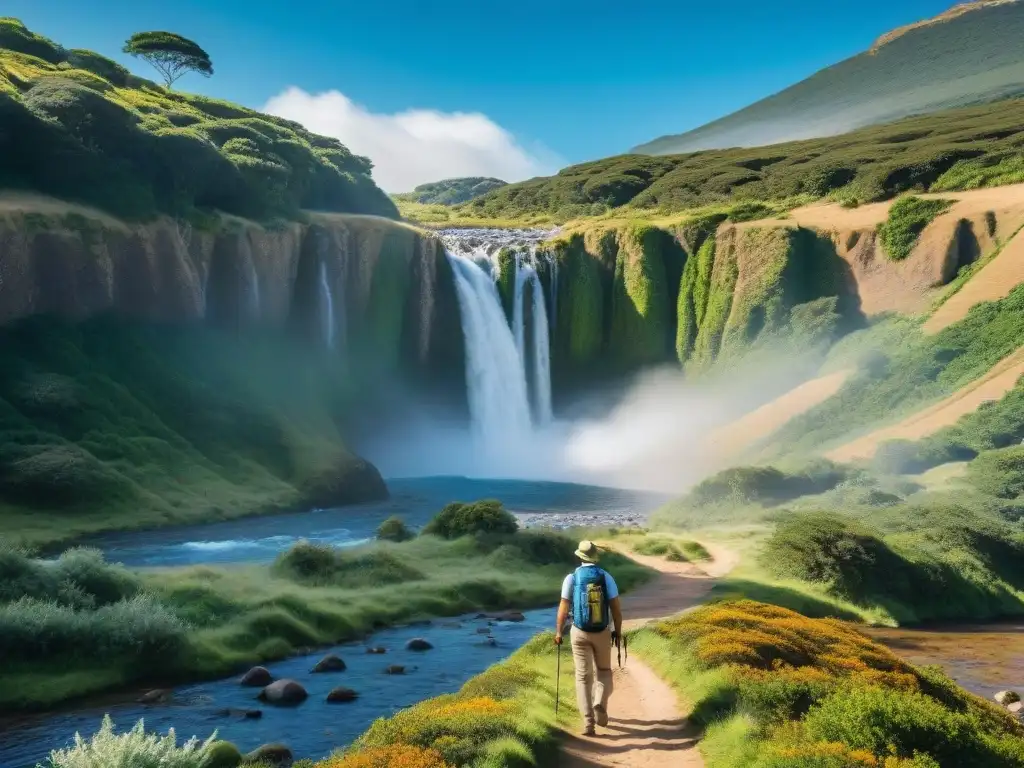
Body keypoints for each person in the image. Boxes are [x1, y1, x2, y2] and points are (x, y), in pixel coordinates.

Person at [554, 540, 623, 736]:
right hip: (601, 632)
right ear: (595, 557)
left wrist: (559, 632)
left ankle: (588, 724)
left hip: (579, 631)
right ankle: (599, 701)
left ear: (580, 557)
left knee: (583, 677)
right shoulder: (606, 577)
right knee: (604, 671)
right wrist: (617, 632)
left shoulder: (571, 578)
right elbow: (616, 610)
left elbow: (563, 607)